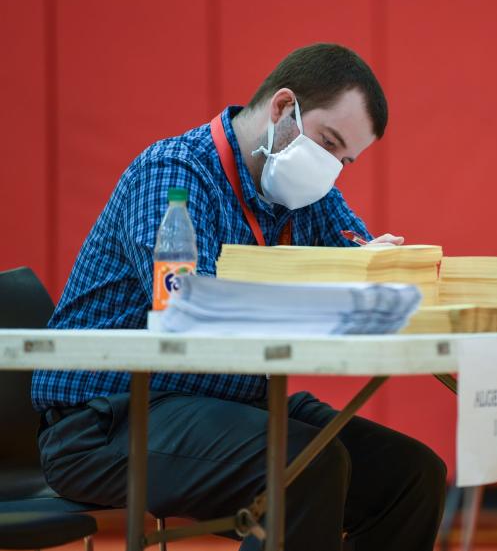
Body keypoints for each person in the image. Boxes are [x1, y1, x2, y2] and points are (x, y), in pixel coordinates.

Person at [31, 43, 447, 550]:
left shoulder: (304, 192)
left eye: (345, 160)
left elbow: (355, 259)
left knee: (412, 475)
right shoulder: (173, 173)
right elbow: (189, 308)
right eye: (328, 142)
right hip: (107, 420)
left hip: (226, 404)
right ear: (282, 108)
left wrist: (377, 264)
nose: (330, 168)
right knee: (305, 465)